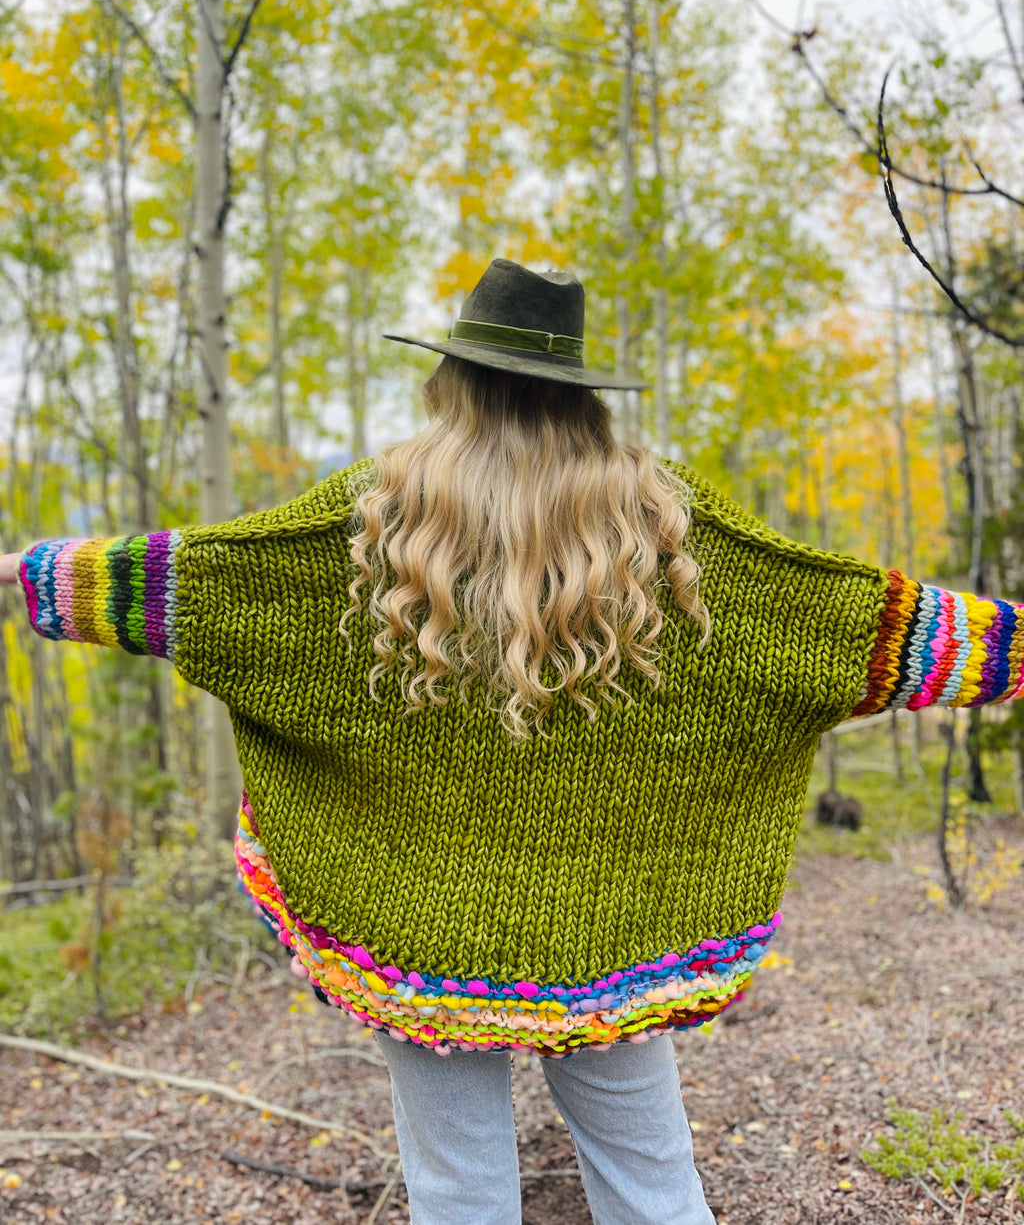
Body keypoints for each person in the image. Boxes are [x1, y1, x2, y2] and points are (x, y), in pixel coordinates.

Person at [3, 256, 1023, 1225]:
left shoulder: (371, 518)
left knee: (457, 1192)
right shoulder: (669, 526)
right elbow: (851, 621)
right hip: (617, 929)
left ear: (451, 378)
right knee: (651, 1180)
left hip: (416, 919)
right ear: (582, 393)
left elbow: (202, 580)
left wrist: (36, 572)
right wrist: (1011, 649)